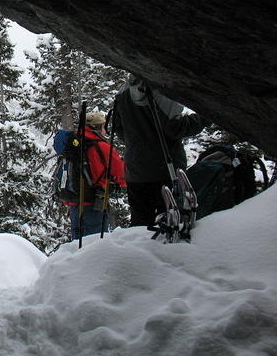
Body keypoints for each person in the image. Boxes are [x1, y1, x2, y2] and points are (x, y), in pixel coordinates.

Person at [114, 75, 206, 227]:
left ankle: (139, 250)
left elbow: (118, 128)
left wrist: (137, 140)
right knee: (171, 223)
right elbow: (174, 128)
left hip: (136, 171)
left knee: (140, 224)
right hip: (166, 169)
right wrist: (205, 118)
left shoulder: (123, 93)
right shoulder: (160, 90)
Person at [57, 111, 126, 240]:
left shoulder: (73, 144)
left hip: (74, 203)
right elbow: (121, 173)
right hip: (94, 203)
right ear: (99, 127)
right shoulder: (101, 146)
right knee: (95, 245)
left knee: (78, 243)